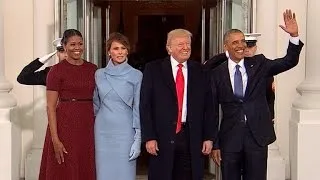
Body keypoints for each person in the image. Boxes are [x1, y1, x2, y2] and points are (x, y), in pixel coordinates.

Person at [210, 9, 303, 180]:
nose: (241, 46)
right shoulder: (216, 73)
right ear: (226, 46)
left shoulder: (259, 64)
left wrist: (294, 36)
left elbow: (288, 61)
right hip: (229, 139)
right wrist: (215, 143)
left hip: (256, 137)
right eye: (235, 42)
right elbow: (212, 111)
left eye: (243, 42)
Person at [140, 28, 215, 180]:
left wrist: (209, 137)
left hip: (191, 136)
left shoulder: (201, 71)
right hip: (162, 136)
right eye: (180, 44)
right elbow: (145, 106)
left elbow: (210, 107)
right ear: (169, 48)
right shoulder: (153, 69)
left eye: (188, 44)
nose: (186, 47)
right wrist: (149, 137)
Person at [39, 29, 97, 180]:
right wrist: (55, 139)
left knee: (86, 164)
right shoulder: (56, 71)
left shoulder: (93, 69)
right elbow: (51, 107)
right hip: (65, 125)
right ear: (64, 46)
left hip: (88, 125)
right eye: (72, 44)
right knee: (65, 168)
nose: (77, 47)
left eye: (80, 44)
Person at [93, 32, 143, 180]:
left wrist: (138, 138)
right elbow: (95, 103)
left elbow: (138, 107)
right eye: (115, 48)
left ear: (127, 51)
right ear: (109, 51)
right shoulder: (99, 74)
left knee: (125, 173)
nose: (119, 52)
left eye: (123, 48)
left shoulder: (136, 75)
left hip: (125, 130)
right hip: (102, 130)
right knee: (103, 173)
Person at [244, 33, 275, 120]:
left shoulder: (263, 65)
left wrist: (271, 116)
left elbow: (269, 95)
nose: (247, 50)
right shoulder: (233, 65)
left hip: (258, 116)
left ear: (255, 48)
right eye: (245, 47)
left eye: (250, 46)